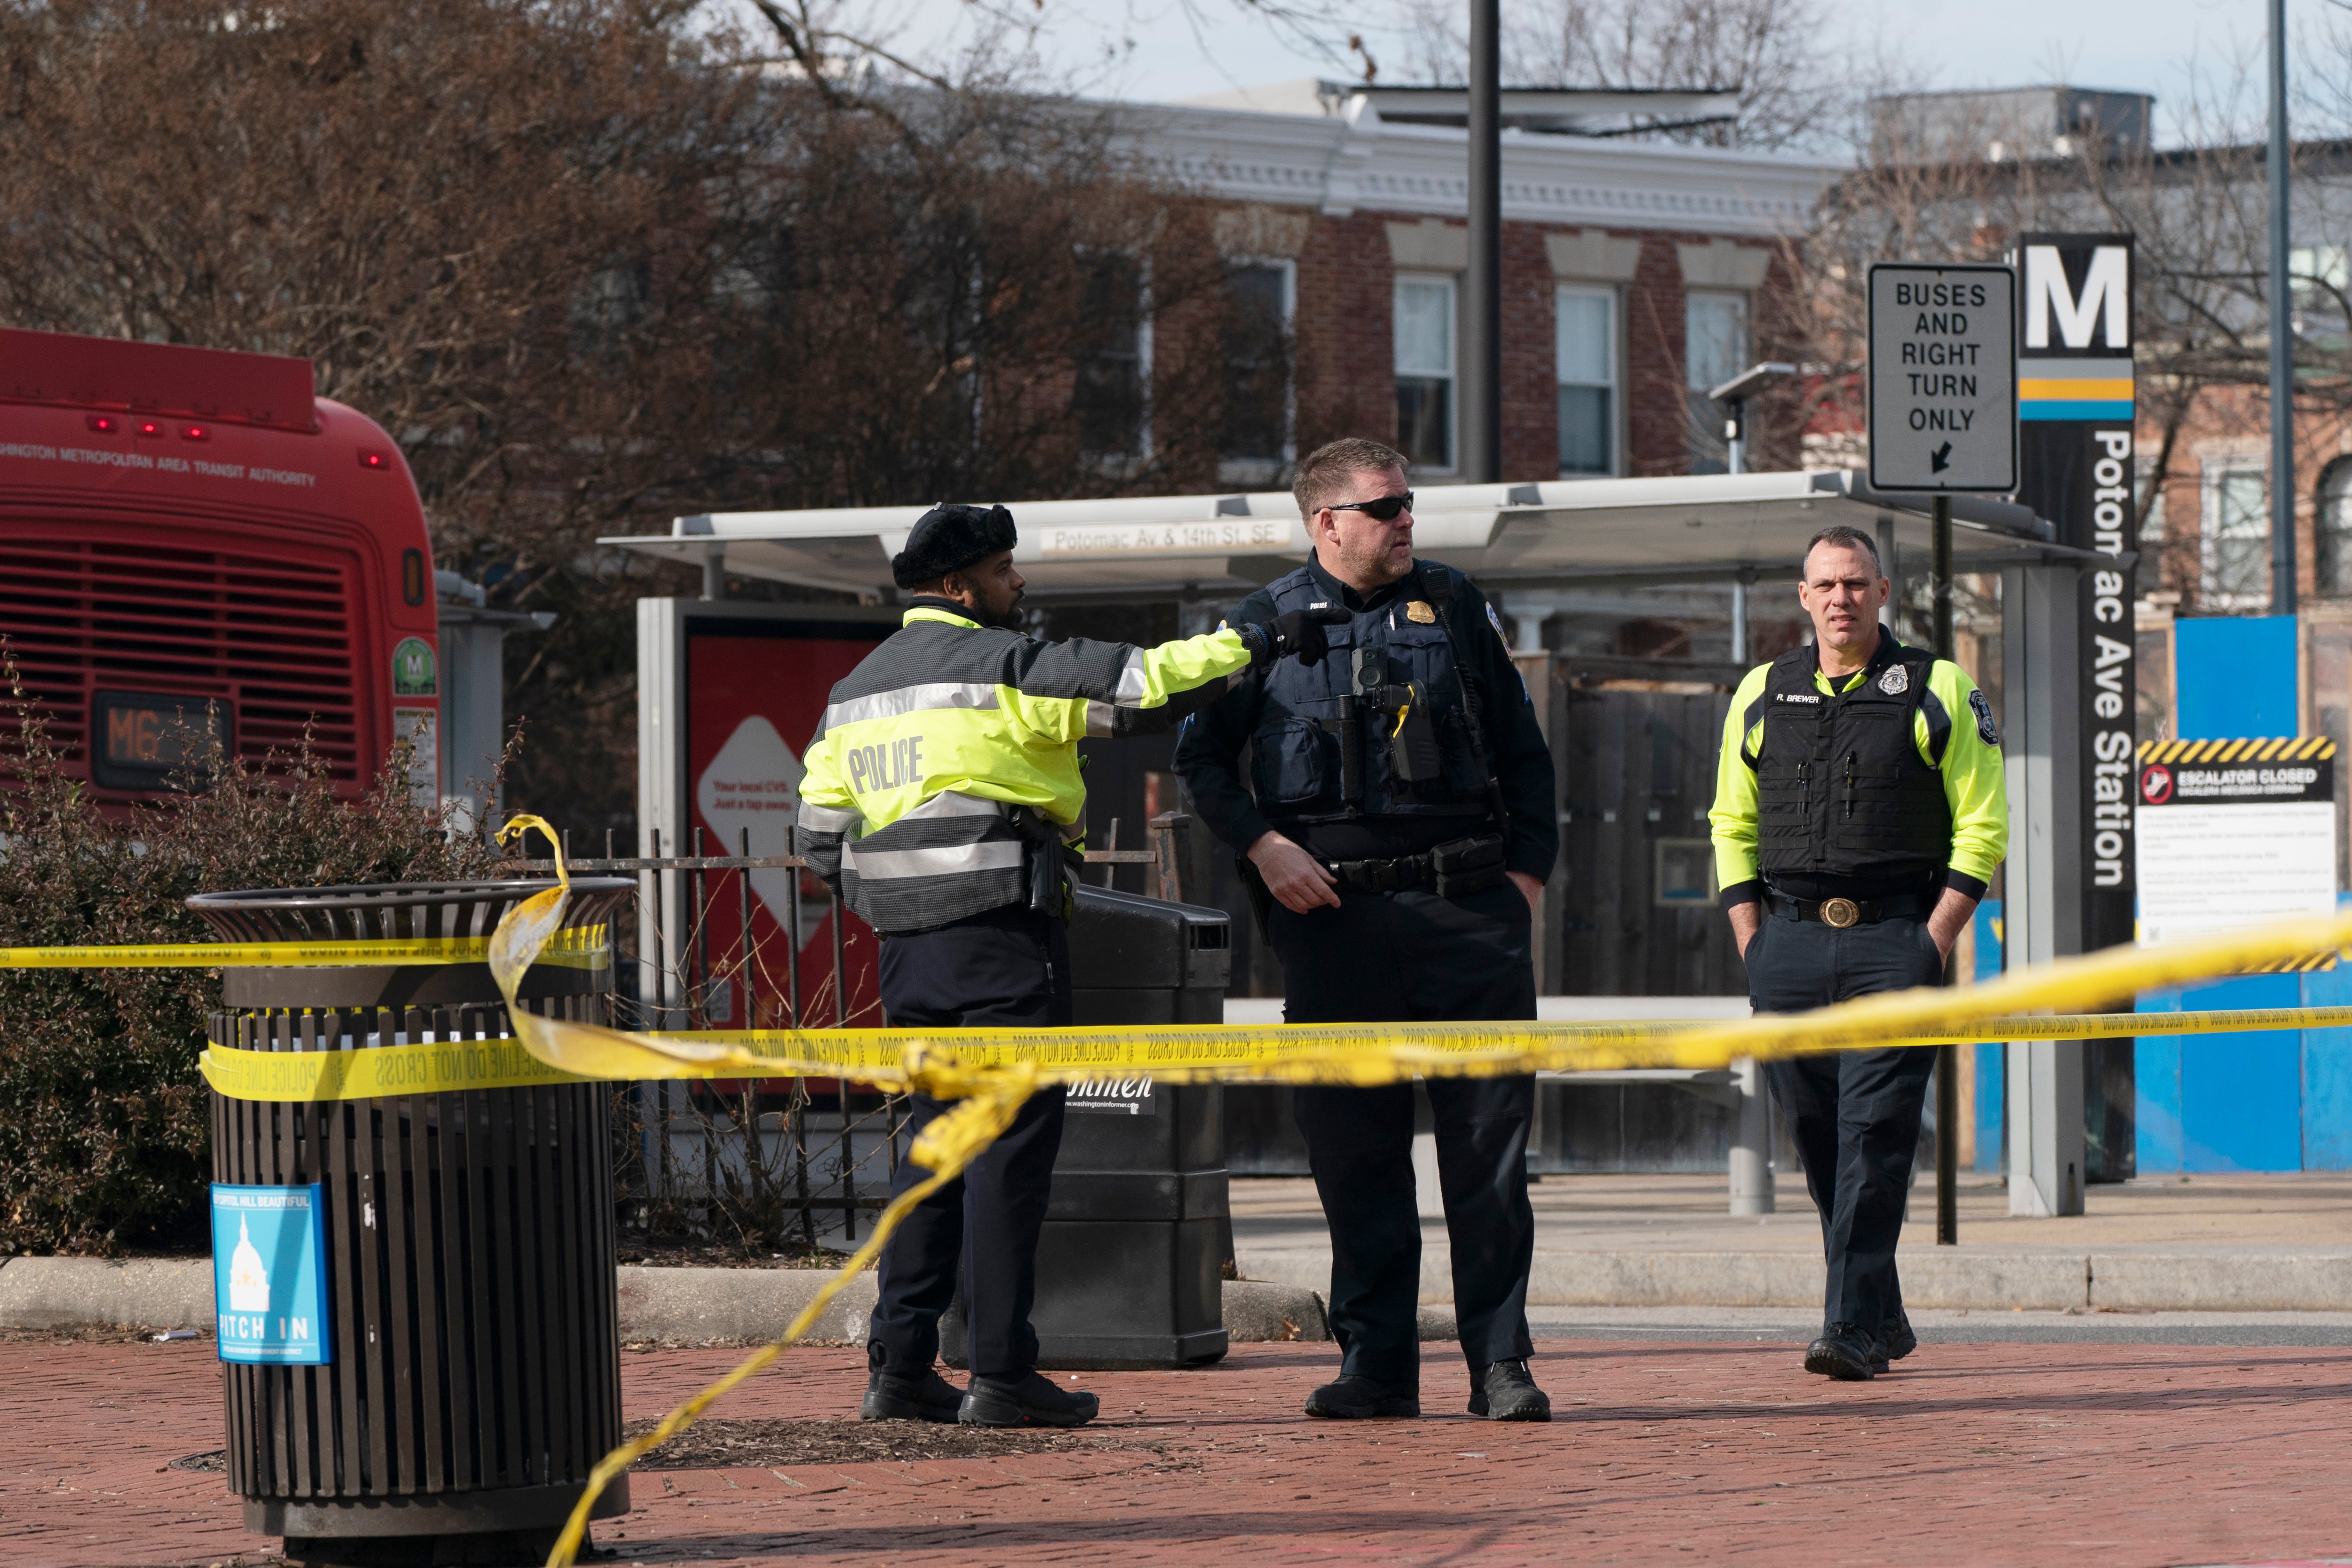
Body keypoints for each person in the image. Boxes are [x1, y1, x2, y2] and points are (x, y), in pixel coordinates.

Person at [793, 501, 1345, 1428]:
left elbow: (815, 839)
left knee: (931, 1150)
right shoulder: (1004, 664)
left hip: (909, 955)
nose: (1020, 584)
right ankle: (1002, 1374)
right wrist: (1255, 635)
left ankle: (898, 1367)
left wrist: (897, 893)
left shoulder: (856, 688)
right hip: (1004, 939)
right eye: (1007, 570)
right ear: (964, 585)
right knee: (1008, 1153)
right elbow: (1146, 684)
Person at [1174, 437, 1559, 1423]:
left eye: (1407, 505)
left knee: (1487, 1154)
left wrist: (1522, 878)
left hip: (1465, 912)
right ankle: (1378, 1366)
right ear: (1325, 522)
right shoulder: (1259, 624)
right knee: (1354, 1157)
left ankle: (1500, 1365)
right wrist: (1263, 847)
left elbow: (1523, 750)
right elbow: (1201, 762)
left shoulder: (1455, 604)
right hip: (1334, 923)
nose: (1404, 522)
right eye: (1384, 507)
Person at [1707, 524, 2008, 1381]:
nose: (1840, 598)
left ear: (1883, 591)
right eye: (1824, 585)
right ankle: (1886, 1309)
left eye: (1855, 582)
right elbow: (1730, 820)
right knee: (1819, 1141)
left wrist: (1935, 938)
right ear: (1803, 598)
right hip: (1787, 944)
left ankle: (1849, 1329)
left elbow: (1983, 820)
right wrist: (1751, 938)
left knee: (1874, 1135)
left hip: (1892, 942)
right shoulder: (1762, 691)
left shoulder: (1938, 686)